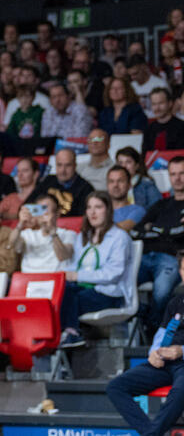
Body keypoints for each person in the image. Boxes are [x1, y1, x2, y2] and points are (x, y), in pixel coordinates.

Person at [106, 250, 184, 436]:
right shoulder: (177, 301)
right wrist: (155, 352)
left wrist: (181, 351)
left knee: (182, 389)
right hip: (166, 361)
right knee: (116, 387)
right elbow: (163, 332)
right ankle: (152, 433)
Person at [60, 192, 134, 347]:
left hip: (110, 292)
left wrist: (78, 276)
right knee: (60, 292)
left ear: (108, 210)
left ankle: (71, 333)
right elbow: (74, 266)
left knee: (71, 298)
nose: (92, 212)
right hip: (83, 288)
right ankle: (63, 334)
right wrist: (69, 275)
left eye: (98, 207)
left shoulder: (120, 237)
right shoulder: (83, 236)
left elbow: (112, 274)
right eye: (89, 207)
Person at [133, 157, 184, 334]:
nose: (177, 178)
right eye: (173, 174)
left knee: (161, 293)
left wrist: (153, 229)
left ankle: (153, 330)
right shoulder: (161, 204)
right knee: (118, 283)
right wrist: (170, 230)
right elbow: (137, 229)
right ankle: (146, 314)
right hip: (146, 257)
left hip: (173, 259)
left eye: (182, 173)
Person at [8, 196, 76, 273]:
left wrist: (52, 232)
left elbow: (63, 256)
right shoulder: (27, 234)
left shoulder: (68, 234)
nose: (43, 213)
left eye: (46, 209)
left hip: (55, 279)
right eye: (39, 209)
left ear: (57, 213)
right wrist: (20, 223)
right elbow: (11, 243)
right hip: (29, 279)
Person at [31, 149, 94, 216]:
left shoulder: (86, 189)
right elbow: (28, 205)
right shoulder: (48, 180)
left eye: (68, 165)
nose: (63, 170)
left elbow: (82, 219)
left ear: (75, 166)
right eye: (59, 165)